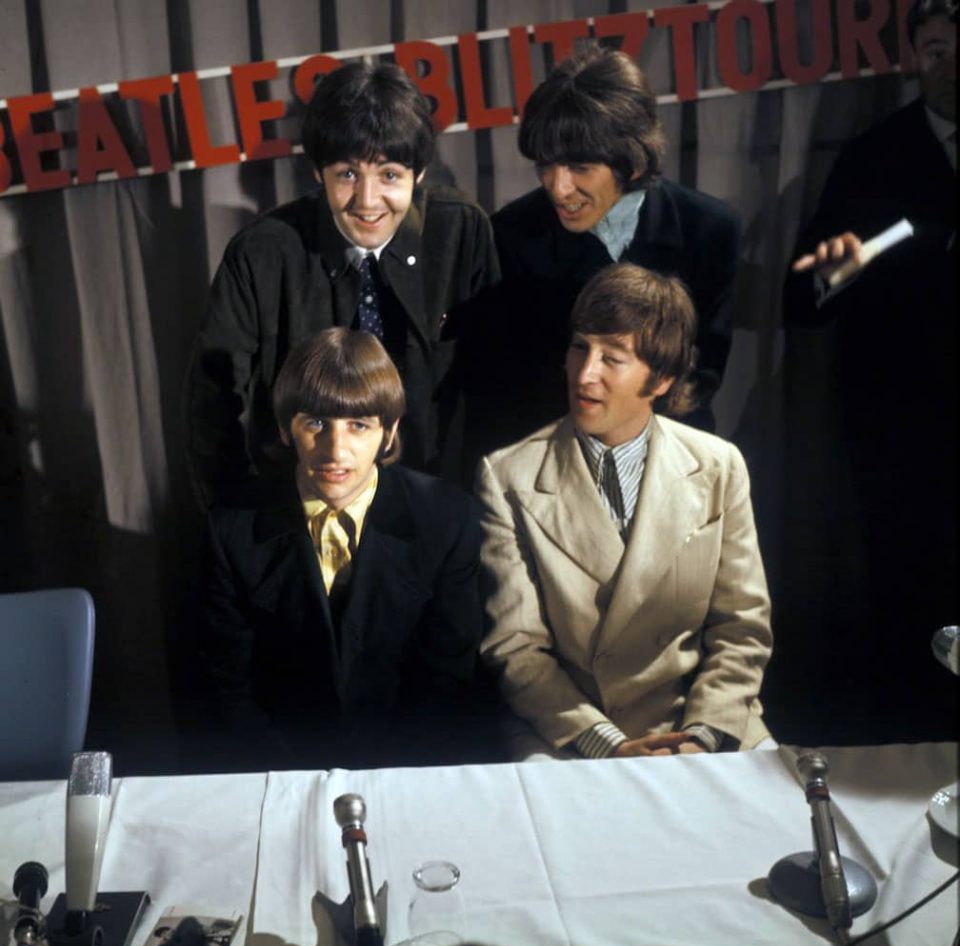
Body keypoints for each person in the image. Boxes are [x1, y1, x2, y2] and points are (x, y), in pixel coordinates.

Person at [477, 264, 772, 759]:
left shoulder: (719, 466)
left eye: (611, 358)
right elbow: (517, 651)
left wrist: (700, 737)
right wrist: (611, 746)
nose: (584, 373)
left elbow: (741, 628)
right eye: (578, 348)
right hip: (570, 732)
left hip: (703, 723)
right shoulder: (509, 475)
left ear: (661, 379)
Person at [186, 61, 499, 507]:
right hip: (302, 507)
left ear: (420, 173)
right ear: (318, 173)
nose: (367, 201)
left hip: (437, 502)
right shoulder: (262, 252)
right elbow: (211, 401)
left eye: (389, 175)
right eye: (347, 175)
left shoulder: (461, 233)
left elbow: (497, 385)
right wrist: (237, 522)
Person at [201, 328, 499, 769]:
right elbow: (230, 689)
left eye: (358, 425)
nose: (335, 451)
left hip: (407, 768)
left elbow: (447, 679)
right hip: (280, 770)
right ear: (286, 428)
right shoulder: (232, 529)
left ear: (389, 430)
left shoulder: (446, 518)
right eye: (315, 423)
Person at [784, 0, 956, 737]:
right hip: (904, 435)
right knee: (910, 605)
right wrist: (836, 274)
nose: (952, 65)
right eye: (938, 48)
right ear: (914, 56)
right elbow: (802, 299)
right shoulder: (874, 155)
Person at [469, 44, 739, 461]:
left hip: (672, 455)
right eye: (545, 165)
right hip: (552, 465)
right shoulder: (510, 235)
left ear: (631, 161)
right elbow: (508, 394)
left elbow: (699, 377)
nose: (557, 188)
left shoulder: (709, 229)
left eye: (579, 168)